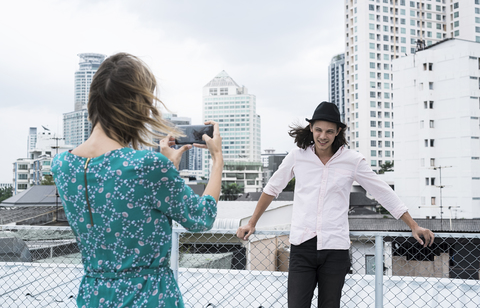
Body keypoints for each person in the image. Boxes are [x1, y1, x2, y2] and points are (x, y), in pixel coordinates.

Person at [51, 53, 223, 308]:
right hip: (147, 297)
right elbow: (201, 218)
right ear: (139, 106)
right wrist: (217, 159)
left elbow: (122, 200)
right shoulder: (148, 166)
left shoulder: (62, 165)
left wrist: (168, 167)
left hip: (92, 297)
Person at [236, 101, 434, 308]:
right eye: (319, 130)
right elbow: (271, 189)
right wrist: (252, 222)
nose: (323, 136)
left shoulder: (353, 160)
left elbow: (382, 191)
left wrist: (413, 225)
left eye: (329, 131)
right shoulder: (297, 156)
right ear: (311, 128)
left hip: (335, 249)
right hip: (302, 247)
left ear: (338, 131)